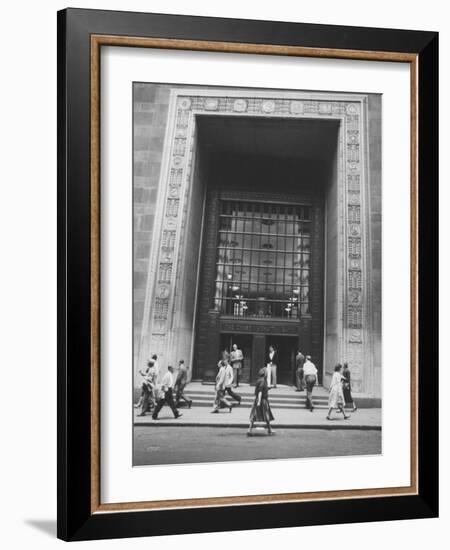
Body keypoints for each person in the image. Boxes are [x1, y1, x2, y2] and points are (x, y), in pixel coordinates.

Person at [247, 367, 275, 436]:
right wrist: (259, 401)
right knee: (266, 415)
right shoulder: (263, 381)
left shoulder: (259, 380)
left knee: (254, 415)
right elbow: (260, 391)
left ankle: (249, 430)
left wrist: (268, 388)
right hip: (263, 400)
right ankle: (269, 430)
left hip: (258, 399)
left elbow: (261, 389)